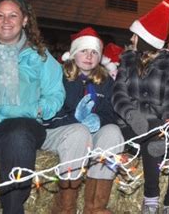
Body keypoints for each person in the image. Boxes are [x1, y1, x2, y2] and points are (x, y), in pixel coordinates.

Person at [0, 0, 65, 214]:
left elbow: (55, 95)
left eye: (13, 15)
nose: (6, 21)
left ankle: (13, 210)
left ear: (24, 20)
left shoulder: (39, 57)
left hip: (20, 121)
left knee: (17, 135)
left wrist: (35, 109)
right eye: (0, 15)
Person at [112, 0, 169, 214]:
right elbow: (118, 95)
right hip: (128, 126)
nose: (132, 40)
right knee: (150, 130)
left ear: (145, 39)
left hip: (159, 129)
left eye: (136, 36)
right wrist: (132, 115)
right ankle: (150, 199)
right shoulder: (127, 61)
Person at [43, 27, 124, 214]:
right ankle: (66, 207)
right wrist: (74, 119)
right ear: (73, 54)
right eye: (84, 51)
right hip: (59, 132)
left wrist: (99, 119)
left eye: (94, 52)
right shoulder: (59, 76)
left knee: (112, 132)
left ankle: (95, 206)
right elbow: (48, 115)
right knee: (79, 131)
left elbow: (111, 114)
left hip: (89, 135)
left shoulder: (105, 81)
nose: (89, 56)